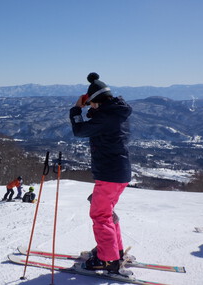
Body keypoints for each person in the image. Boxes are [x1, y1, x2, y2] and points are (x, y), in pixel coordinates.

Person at [69, 72, 132, 274]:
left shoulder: (106, 116)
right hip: (118, 173)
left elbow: (79, 130)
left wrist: (77, 109)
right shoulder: (115, 113)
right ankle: (115, 251)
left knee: (100, 215)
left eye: (92, 103)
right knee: (107, 213)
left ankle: (107, 260)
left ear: (96, 101)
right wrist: (92, 106)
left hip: (109, 174)